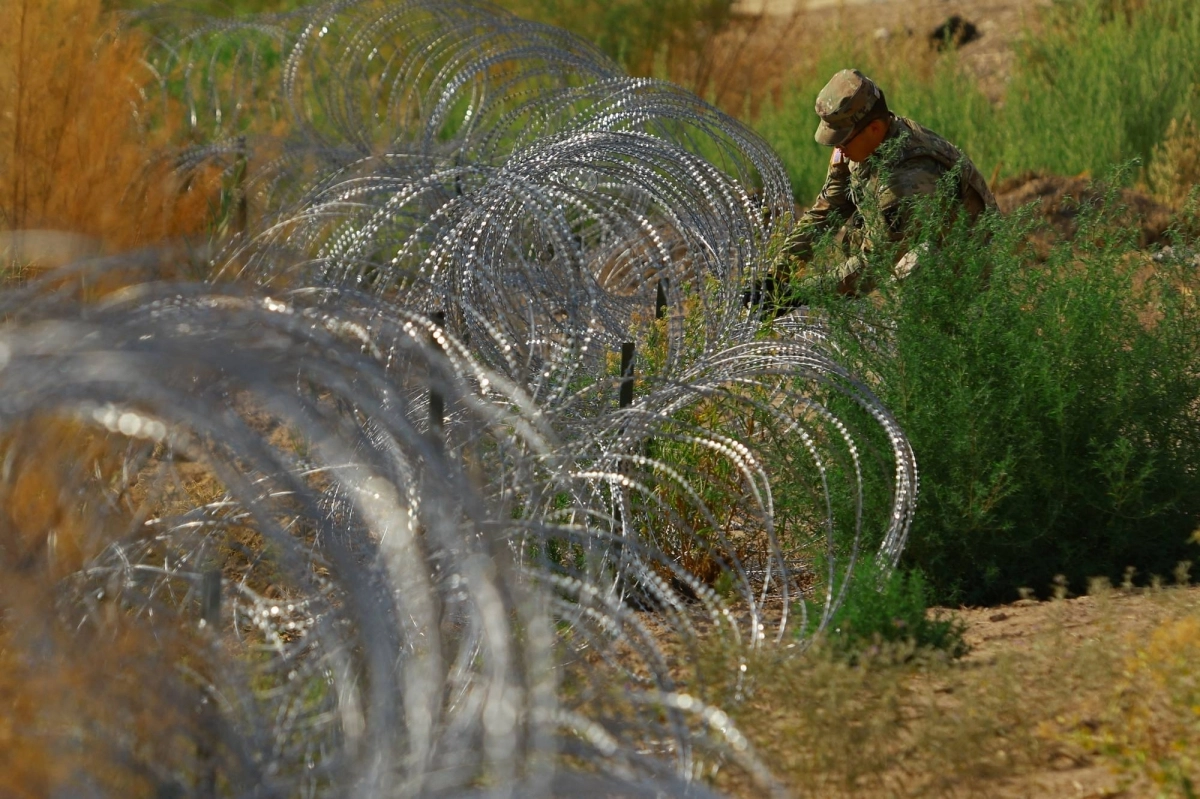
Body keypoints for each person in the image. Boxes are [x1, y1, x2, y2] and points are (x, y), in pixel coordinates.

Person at [779, 68, 997, 299]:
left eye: (842, 140)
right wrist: (778, 274)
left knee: (913, 268)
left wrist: (800, 295)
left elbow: (874, 265)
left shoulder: (906, 180)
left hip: (967, 271)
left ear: (873, 129)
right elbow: (828, 207)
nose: (838, 148)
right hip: (922, 248)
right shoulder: (860, 145)